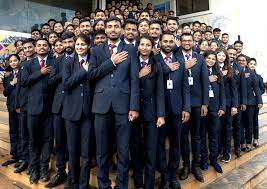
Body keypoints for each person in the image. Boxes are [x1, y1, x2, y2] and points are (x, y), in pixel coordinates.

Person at [88, 16, 139, 189]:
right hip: (101, 106)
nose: (112, 29)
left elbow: (134, 79)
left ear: (122, 29)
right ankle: (103, 184)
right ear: (105, 29)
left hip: (124, 106)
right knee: (102, 151)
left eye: (116, 26)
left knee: (123, 151)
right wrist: (111, 62)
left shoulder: (131, 50)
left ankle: (121, 185)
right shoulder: (96, 50)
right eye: (109, 26)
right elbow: (91, 75)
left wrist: (134, 106)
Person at [155, 32, 190, 189]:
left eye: (170, 41)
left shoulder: (181, 61)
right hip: (159, 111)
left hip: (177, 110)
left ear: (174, 43)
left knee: (175, 144)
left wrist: (186, 108)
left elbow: (185, 88)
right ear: (160, 42)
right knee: (160, 144)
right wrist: (166, 68)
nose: (168, 44)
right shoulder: (154, 60)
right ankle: (163, 176)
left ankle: (172, 175)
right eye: (165, 41)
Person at [130, 35, 165, 189]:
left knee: (151, 149)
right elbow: (126, 84)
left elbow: (160, 92)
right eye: (142, 44)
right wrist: (139, 75)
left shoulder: (157, 64)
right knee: (136, 147)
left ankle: (149, 184)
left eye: (148, 45)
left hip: (152, 112)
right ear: (138, 46)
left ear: (152, 48)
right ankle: (138, 183)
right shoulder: (131, 62)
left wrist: (161, 114)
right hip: (134, 111)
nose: (144, 47)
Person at [21, 38, 55, 184]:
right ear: (35, 48)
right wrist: (40, 73)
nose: (42, 47)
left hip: (49, 109)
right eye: (39, 45)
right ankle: (33, 169)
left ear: (49, 47)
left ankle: (44, 168)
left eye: (44, 45)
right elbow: (24, 82)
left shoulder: (55, 62)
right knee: (34, 140)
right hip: (33, 109)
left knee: (47, 140)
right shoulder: (28, 64)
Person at [62, 33, 93, 189]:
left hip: (87, 113)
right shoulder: (68, 62)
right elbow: (66, 84)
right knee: (73, 151)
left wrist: (88, 69)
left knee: (86, 154)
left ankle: (83, 184)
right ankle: (73, 182)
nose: (80, 47)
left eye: (83, 44)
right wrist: (83, 71)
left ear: (88, 46)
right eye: (78, 44)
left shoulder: (94, 61)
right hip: (71, 113)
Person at [45, 31, 76, 188]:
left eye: (70, 42)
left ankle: (72, 175)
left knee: (71, 143)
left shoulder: (80, 58)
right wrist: (63, 76)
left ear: (74, 42)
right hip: (58, 106)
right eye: (65, 43)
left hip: (74, 106)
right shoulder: (58, 60)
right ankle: (60, 172)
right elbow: (50, 81)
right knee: (60, 141)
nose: (67, 45)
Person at [178, 33, 209, 183]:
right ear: (180, 42)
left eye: (189, 40)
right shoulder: (176, 55)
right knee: (183, 137)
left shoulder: (200, 57)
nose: (187, 43)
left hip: (197, 103)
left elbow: (205, 81)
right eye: (184, 40)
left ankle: (195, 166)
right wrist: (184, 66)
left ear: (193, 42)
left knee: (196, 136)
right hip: (181, 104)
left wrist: (205, 103)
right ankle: (185, 166)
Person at [200, 50, 225, 173]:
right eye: (208, 58)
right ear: (204, 58)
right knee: (202, 136)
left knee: (214, 136)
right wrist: (207, 80)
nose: (210, 60)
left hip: (215, 109)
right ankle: (204, 159)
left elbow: (222, 92)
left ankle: (213, 159)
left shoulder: (218, 73)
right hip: (202, 108)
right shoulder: (199, 71)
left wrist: (222, 107)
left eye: (213, 59)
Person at [13, 38, 36, 174]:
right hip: (23, 105)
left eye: (29, 47)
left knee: (33, 136)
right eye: (25, 48)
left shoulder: (40, 64)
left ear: (35, 47)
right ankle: (24, 161)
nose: (27, 50)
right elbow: (19, 86)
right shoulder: (22, 64)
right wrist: (17, 103)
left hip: (36, 105)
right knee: (23, 135)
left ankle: (33, 163)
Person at [216, 48, 238, 163]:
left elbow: (234, 89)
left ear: (226, 58)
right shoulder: (212, 68)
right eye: (219, 55)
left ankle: (227, 152)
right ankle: (218, 149)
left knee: (227, 128)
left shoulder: (230, 69)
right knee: (218, 129)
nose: (221, 57)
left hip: (228, 104)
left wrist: (235, 105)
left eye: (223, 56)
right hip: (216, 103)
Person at [2, 54, 21, 167]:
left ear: (19, 61)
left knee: (21, 133)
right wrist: (11, 83)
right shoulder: (8, 76)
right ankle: (14, 156)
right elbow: (5, 92)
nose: (13, 63)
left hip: (21, 108)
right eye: (11, 61)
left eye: (15, 60)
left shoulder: (24, 72)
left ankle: (23, 157)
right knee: (13, 132)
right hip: (11, 108)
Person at [247, 58, 265, 147]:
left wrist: (256, 94)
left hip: (255, 102)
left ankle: (256, 139)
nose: (252, 65)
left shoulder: (258, 77)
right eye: (251, 63)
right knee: (248, 122)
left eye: (254, 64)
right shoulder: (244, 75)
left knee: (255, 121)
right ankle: (248, 141)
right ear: (247, 64)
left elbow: (262, 89)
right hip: (247, 102)